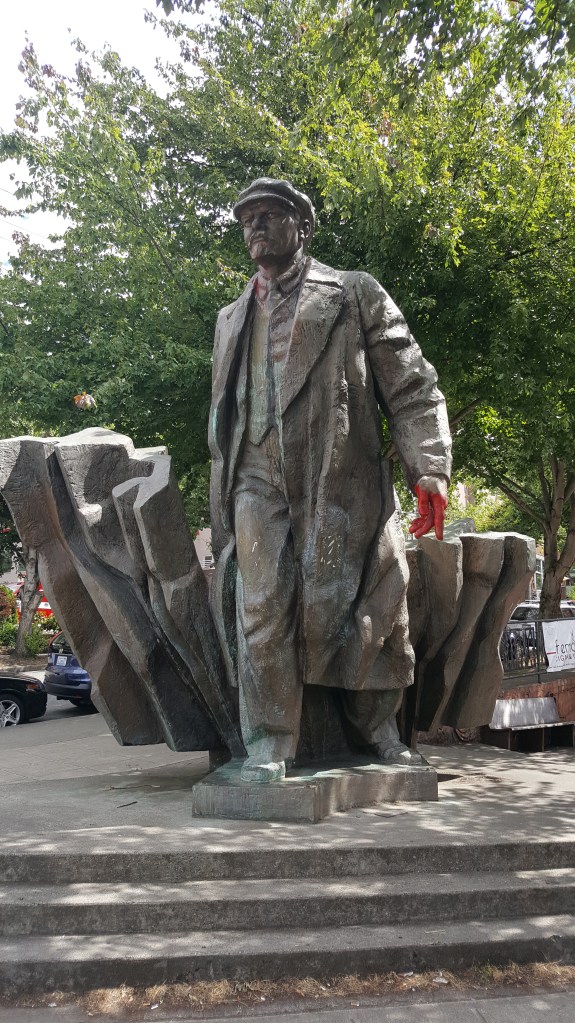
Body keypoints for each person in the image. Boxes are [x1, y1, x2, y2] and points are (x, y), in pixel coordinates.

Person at [209, 178, 451, 783]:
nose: (255, 226)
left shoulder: (351, 293)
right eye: (247, 218)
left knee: (368, 604)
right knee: (261, 605)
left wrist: (429, 465)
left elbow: (411, 384)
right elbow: (226, 413)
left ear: (303, 226)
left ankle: (379, 729)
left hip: (338, 477)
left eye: (270, 214)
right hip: (255, 477)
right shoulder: (231, 318)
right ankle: (269, 741)